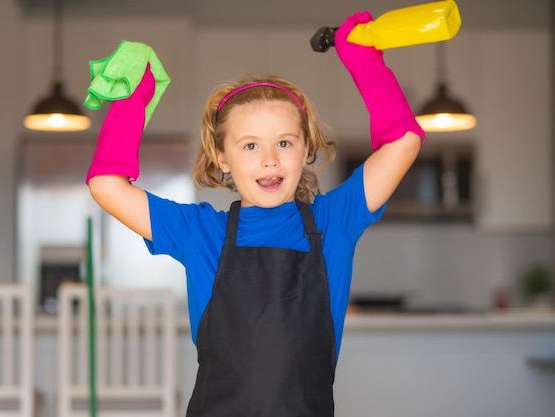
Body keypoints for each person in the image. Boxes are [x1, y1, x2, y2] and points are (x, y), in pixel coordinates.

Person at [86, 10, 425, 417]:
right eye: (249, 146)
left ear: (305, 149)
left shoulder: (336, 221)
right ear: (222, 157)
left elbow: (403, 143)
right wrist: (133, 96)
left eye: (284, 143)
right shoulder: (199, 233)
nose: (269, 160)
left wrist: (365, 62)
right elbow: (107, 185)